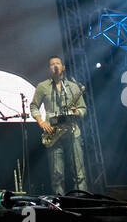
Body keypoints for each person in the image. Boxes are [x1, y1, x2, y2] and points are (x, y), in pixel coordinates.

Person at [30, 55, 88, 194]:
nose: (55, 66)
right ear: (49, 69)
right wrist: (41, 122)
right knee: (57, 174)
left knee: (79, 173)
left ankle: (83, 201)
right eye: (52, 64)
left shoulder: (73, 87)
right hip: (54, 133)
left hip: (73, 131)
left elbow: (83, 108)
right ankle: (59, 204)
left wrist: (77, 112)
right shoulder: (42, 87)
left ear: (63, 67)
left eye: (57, 63)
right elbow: (34, 107)